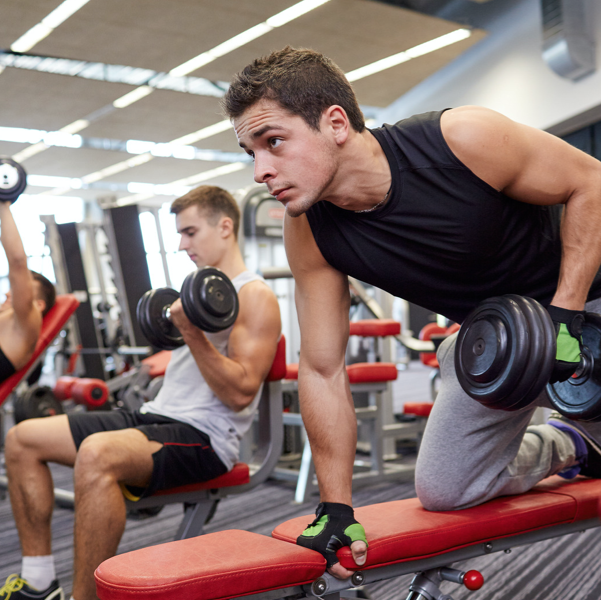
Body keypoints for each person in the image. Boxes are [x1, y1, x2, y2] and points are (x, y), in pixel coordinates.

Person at [222, 46, 601, 579]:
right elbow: (323, 367)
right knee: (448, 490)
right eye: (250, 153)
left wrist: (566, 315)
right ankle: (571, 443)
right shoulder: (309, 231)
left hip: (584, 309)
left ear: (334, 123)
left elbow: (592, 181)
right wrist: (336, 508)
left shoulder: (461, 141)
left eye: (274, 142)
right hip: (499, 342)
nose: (261, 170)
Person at [2, 185, 281, 600]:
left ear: (225, 227)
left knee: (97, 452)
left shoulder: (255, 296)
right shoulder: (198, 289)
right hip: (154, 416)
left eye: (189, 232)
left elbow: (240, 393)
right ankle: (40, 580)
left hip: (204, 437)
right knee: (22, 438)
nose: (182, 244)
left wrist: (190, 331)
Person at [0, 201, 56, 380]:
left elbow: (17, 262)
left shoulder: (24, 326)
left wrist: (3, 204)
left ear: (38, 305)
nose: (9, 294)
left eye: (17, 291)